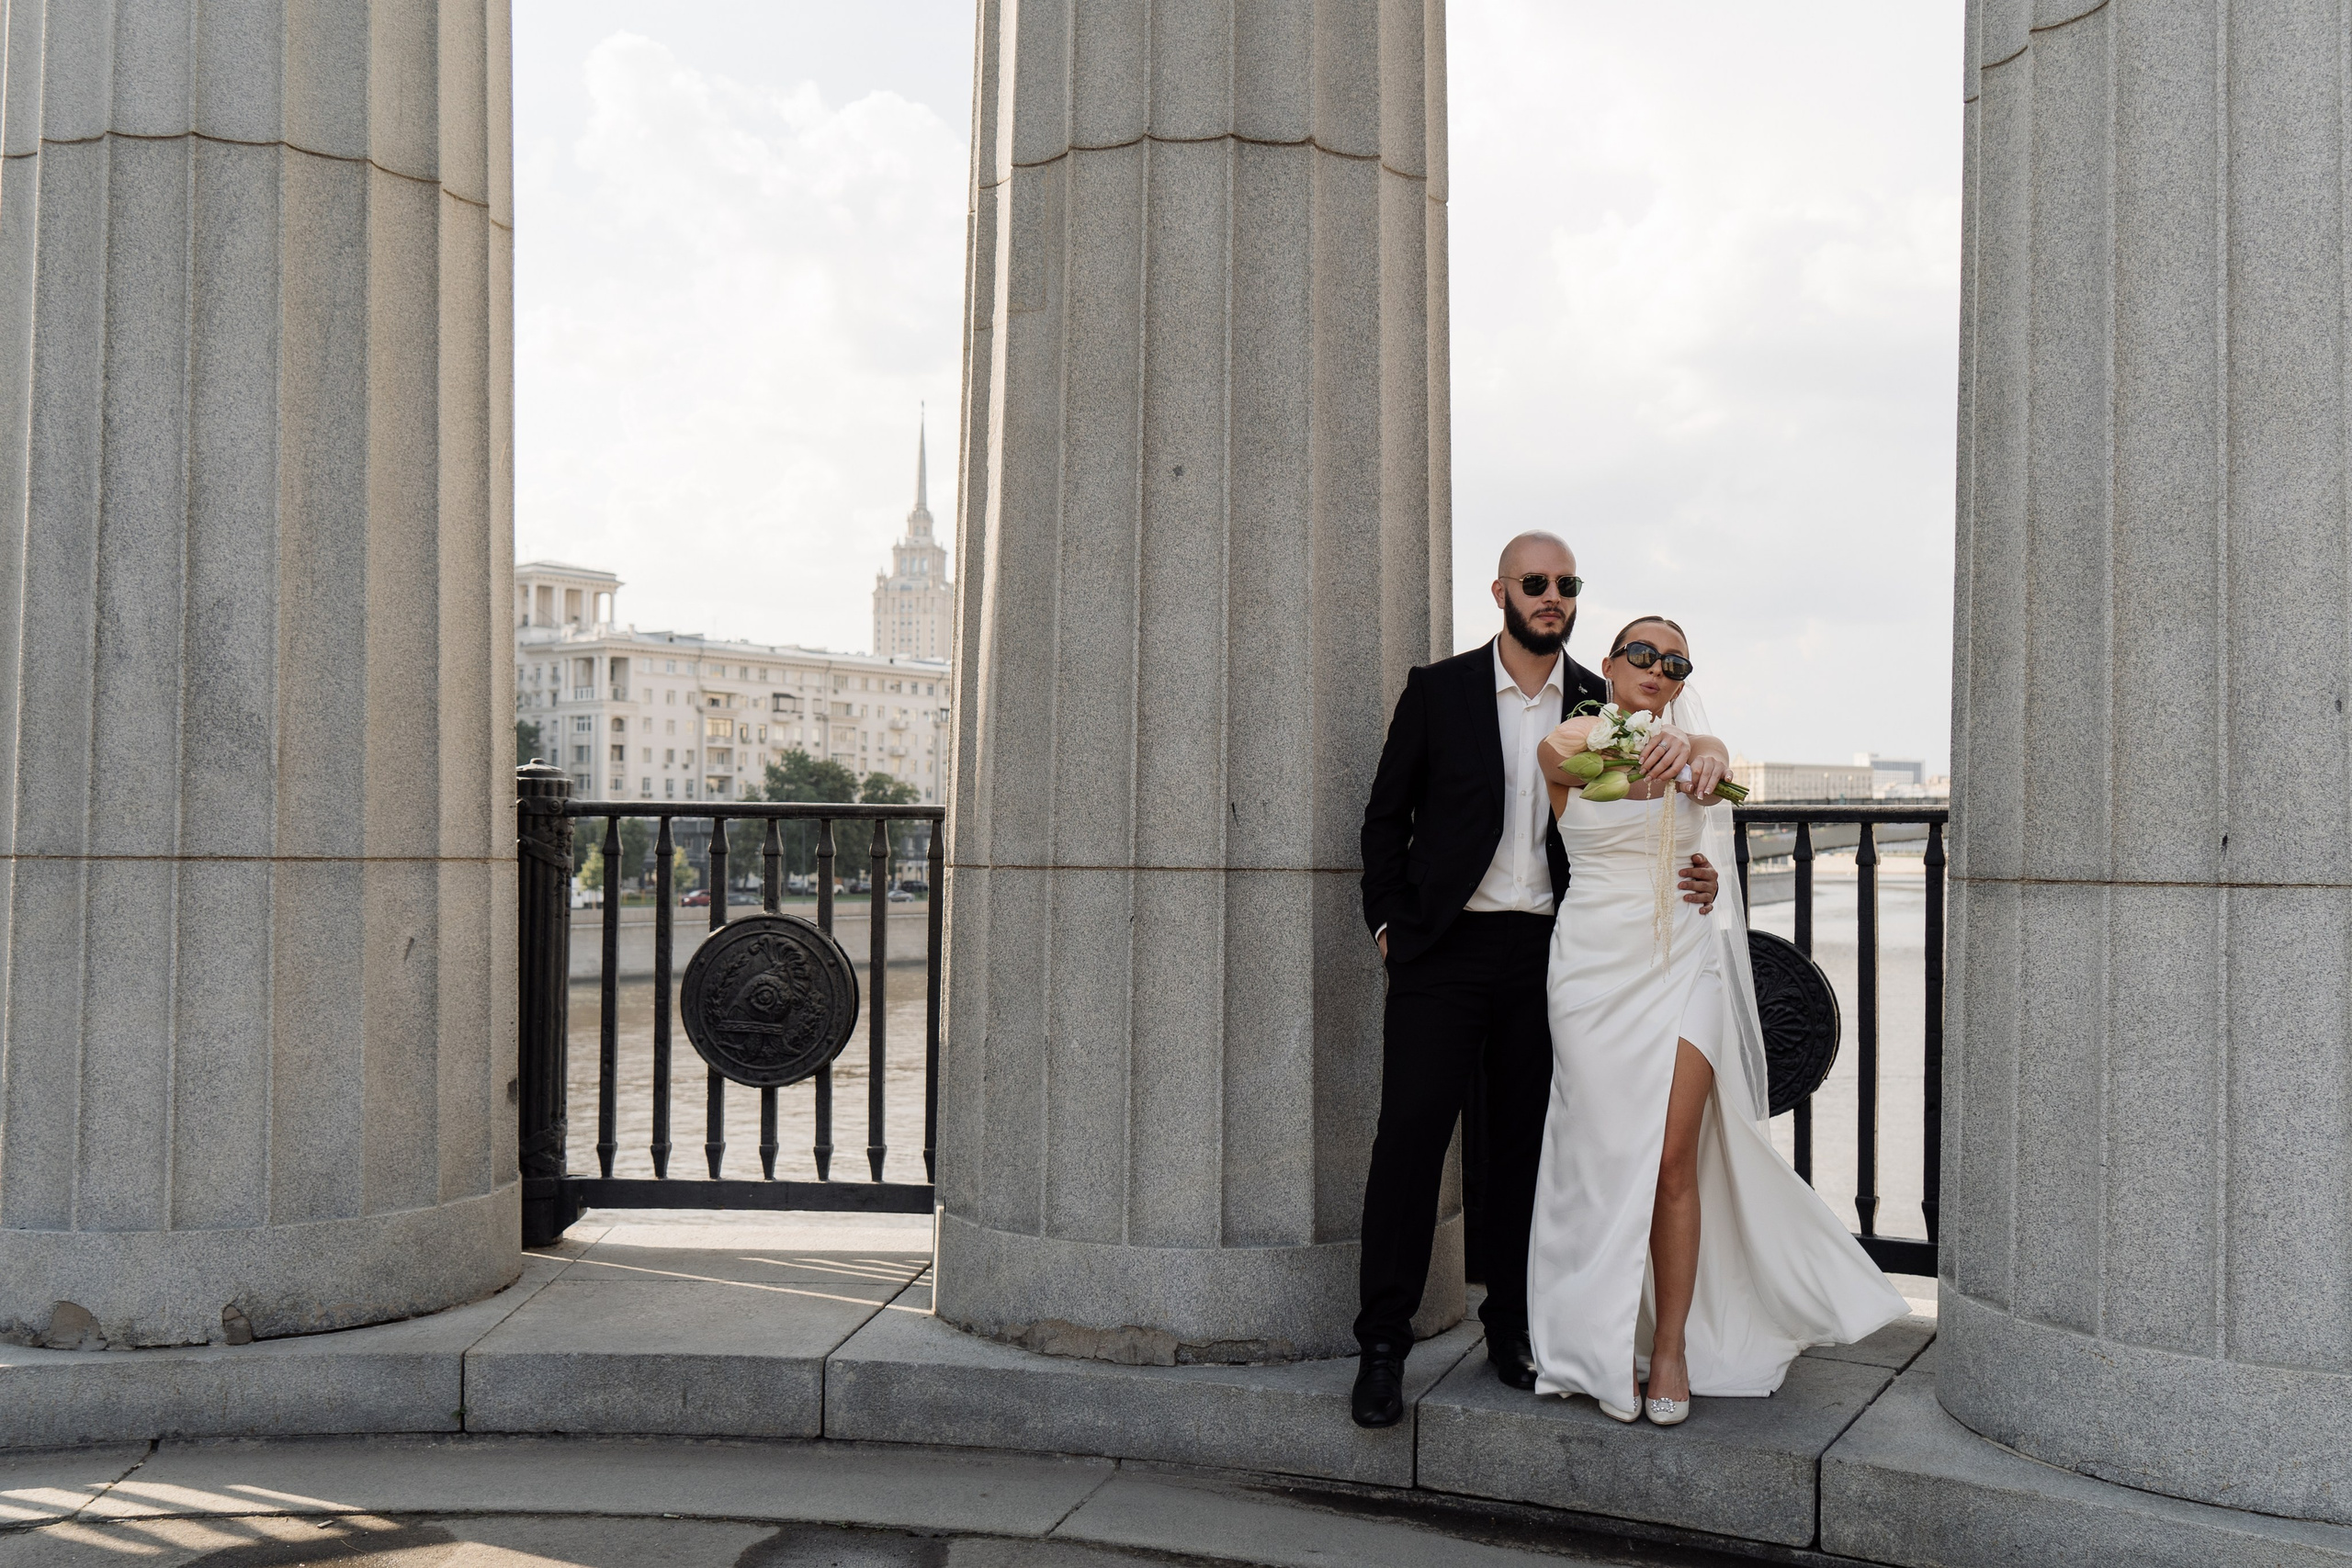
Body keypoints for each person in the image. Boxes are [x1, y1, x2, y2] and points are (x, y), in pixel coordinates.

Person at [1351, 535, 1727, 1428]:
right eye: (1535, 583)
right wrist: (1389, 928)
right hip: (1443, 950)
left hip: (1555, 954)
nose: (1550, 595)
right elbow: (1383, 817)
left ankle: (1514, 1329)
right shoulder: (1437, 690)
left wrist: (1699, 854)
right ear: (1502, 592)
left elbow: (1683, 757)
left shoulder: (1605, 703)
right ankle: (1381, 1344)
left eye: (1565, 585)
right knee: (1409, 1140)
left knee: (1527, 1147)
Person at [1528, 616, 1907, 1426]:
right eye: (1642, 655)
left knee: (1673, 1157)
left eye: (1675, 662)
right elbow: (1596, 778)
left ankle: (1670, 1349)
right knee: (1598, 1152)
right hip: (1593, 970)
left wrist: (1698, 758)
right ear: (1608, 664)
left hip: (1684, 957)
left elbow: (1712, 763)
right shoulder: (1563, 741)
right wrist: (1652, 766)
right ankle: (1588, 1339)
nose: (1657, 670)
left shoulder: (1700, 744)